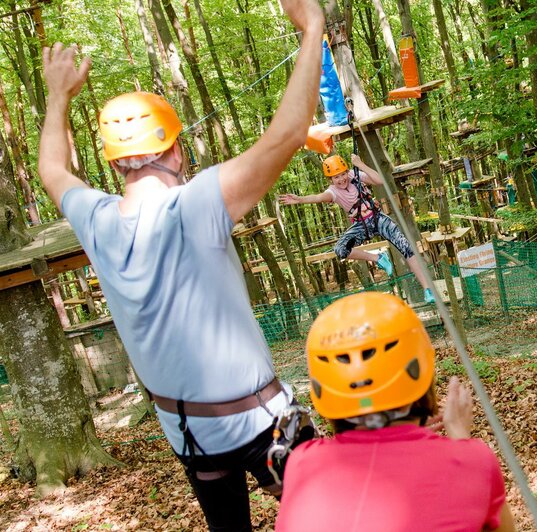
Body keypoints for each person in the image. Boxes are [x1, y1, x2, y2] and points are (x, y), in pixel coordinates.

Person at [37, 1, 325, 529]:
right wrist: (312, 30)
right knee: (336, 515)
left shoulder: (96, 220)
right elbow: (286, 136)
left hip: (187, 431)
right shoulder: (194, 203)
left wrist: (58, 97)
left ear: (115, 160)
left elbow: (51, 168)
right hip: (260, 424)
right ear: (175, 149)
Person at [275, 292, 515, 531]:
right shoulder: (473, 461)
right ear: (421, 370)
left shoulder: (302, 463)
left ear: (322, 386)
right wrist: (461, 440)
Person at [278, 154, 436, 303]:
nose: (341, 179)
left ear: (347, 171)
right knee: (341, 250)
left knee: (406, 248)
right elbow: (318, 197)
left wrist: (360, 164)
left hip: (378, 218)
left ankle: (427, 289)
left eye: (342, 174)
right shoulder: (333, 192)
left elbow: (379, 180)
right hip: (361, 225)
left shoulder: (355, 176)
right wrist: (300, 200)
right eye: (336, 177)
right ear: (331, 180)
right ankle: (378, 258)